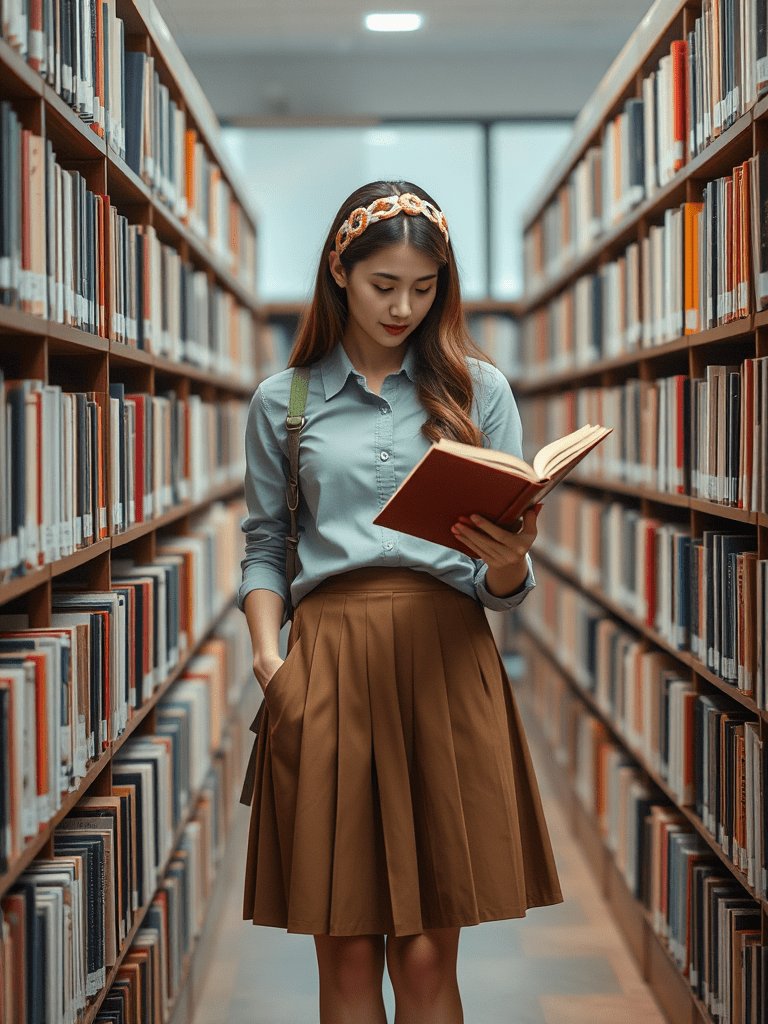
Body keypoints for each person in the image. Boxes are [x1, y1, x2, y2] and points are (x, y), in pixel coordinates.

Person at [237, 180, 564, 1024]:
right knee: (344, 954)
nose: (405, 307)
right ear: (339, 273)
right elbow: (267, 543)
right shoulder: (286, 401)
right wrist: (271, 661)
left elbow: (503, 587)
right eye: (385, 285)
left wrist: (509, 559)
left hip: (446, 664)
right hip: (328, 668)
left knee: (425, 958)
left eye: (425, 289)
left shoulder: (478, 391)